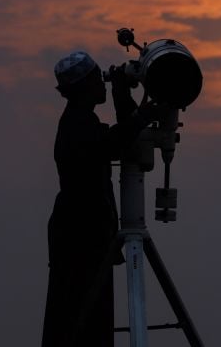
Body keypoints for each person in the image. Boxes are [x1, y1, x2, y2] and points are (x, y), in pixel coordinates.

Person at [42, 51, 156, 347]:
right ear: (83, 88)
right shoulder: (77, 126)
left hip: (83, 235)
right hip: (80, 238)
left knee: (87, 320)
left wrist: (123, 96)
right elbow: (113, 145)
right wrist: (141, 114)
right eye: (97, 79)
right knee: (80, 320)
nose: (102, 84)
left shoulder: (80, 121)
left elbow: (115, 140)